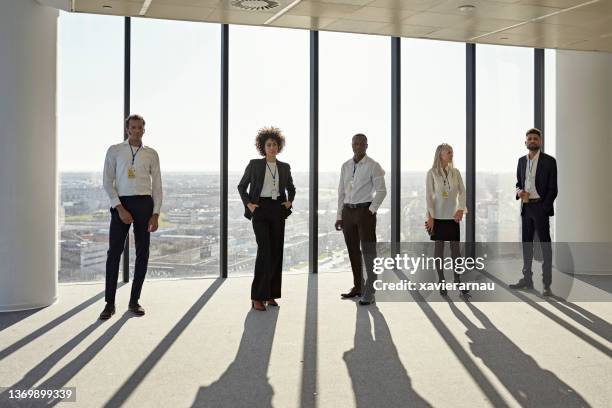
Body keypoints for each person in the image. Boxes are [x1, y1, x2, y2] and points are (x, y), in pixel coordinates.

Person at [100, 114, 163, 320]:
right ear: (127, 129)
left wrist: (155, 214)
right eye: (133, 127)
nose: (136, 131)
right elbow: (108, 183)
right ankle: (109, 303)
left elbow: (158, 187)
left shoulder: (151, 154)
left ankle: (134, 301)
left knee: (143, 253)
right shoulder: (115, 150)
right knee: (114, 253)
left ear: (144, 130)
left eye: (140, 128)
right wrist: (119, 208)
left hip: (144, 205)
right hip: (122, 204)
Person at [238, 127, 295, 311]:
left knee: (276, 252)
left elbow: (291, 188)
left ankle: (270, 295)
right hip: (260, 209)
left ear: (279, 147)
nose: (272, 147)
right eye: (268, 145)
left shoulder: (284, 167)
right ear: (263, 147)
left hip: (277, 209)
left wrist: (289, 202)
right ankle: (257, 297)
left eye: (275, 145)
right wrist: (249, 204)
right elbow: (241, 186)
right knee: (264, 251)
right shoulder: (255, 164)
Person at [335, 133, 387, 306]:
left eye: (361, 143)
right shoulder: (345, 166)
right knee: (353, 251)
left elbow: (381, 191)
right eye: (354, 143)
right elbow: (341, 192)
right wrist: (339, 215)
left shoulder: (373, 166)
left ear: (366, 145)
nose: (357, 146)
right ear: (351, 145)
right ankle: (358, 287)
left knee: (368, 252)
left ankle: (370, 291)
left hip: (365, 211)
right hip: (348, 212)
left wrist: (371, 211)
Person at [510, 128, 557, 296]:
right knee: (527, 245)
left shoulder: (549, 161)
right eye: (529, 138)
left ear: (540, 142)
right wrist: (519, 192)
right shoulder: (521, 161)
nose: (532, 141)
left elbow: (553, 189)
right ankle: (527, 280)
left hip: (540, 207)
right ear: (525, 142)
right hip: (526, 207)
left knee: (545, 247)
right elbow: (518, 182)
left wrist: (544, 209)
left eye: (535, 138)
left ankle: (546, 284)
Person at [425, 143, 469, 298]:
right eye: (448, 152)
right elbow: (429, 197)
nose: (451, 154)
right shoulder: (431, 173)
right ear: (440, 155)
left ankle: (458, 279)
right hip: (437, 217)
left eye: (452, 152)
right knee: (439, 251)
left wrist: (460, 209)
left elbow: (463, 192)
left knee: (456, 251)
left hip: (452, 216)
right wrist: (430, 218)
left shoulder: (455, 172)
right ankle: (442, 280)